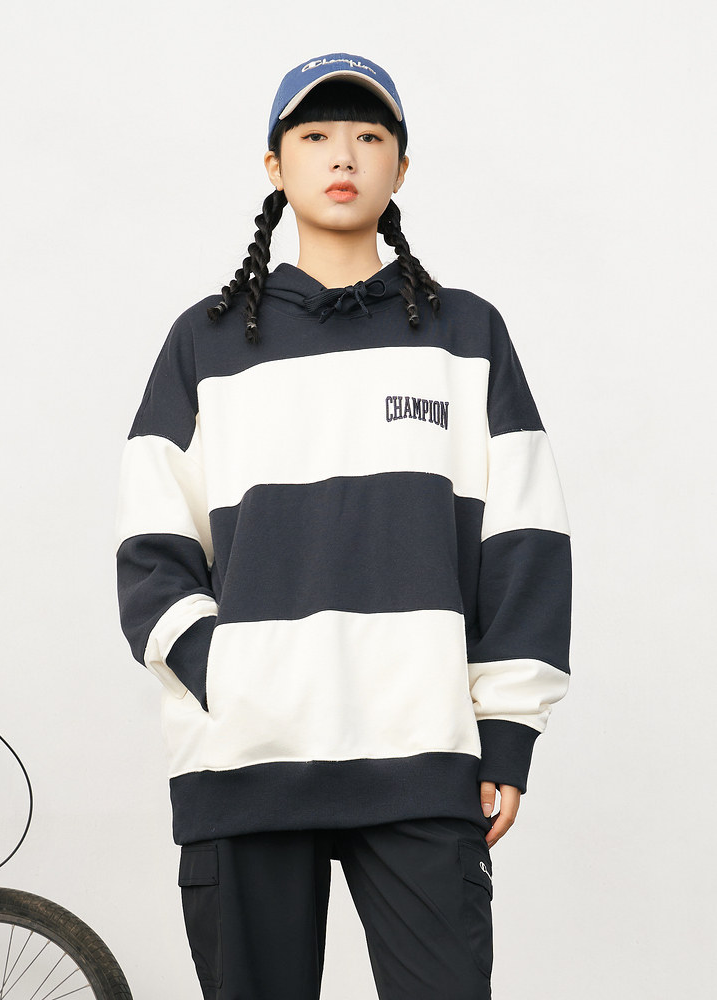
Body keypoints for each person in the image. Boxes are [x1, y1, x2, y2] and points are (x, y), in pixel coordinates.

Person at [115, 51, 572, 1000]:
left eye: (369, 136)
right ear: (274, 165)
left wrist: (507, 731)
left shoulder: (464, 335)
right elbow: (151, 549)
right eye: (316, 134)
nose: (344, 156)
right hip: (246, 761)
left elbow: (525, 541)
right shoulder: (205, 342)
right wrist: (229, 676)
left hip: (422, 752)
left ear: (401, 167)